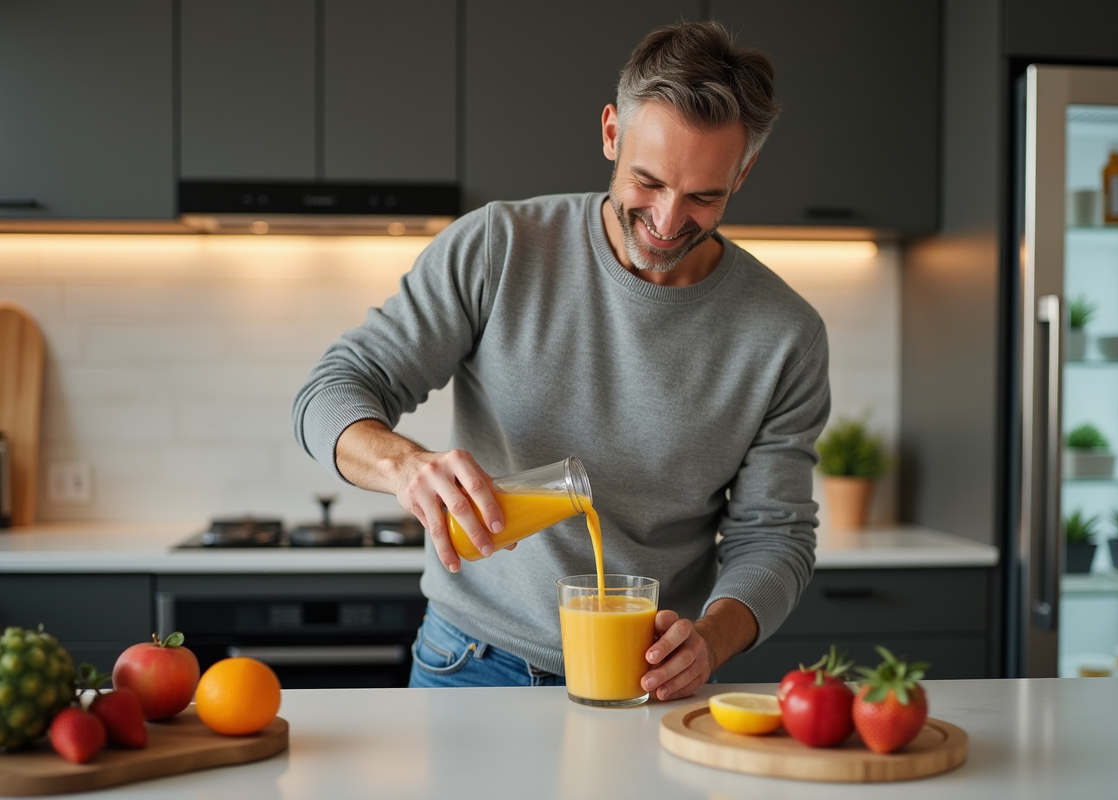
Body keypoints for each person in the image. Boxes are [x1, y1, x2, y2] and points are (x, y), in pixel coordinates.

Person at [292, 20, 830, 701]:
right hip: (472, 665)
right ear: (610, 133)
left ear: (743, 173)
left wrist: (712, 640)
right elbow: (330, 392)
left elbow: (775, 537)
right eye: (648, 181)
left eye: (703, 196)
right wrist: (406, 466)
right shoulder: (500, 248)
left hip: (651, 679)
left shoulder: (785, 333)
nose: (667, 221)